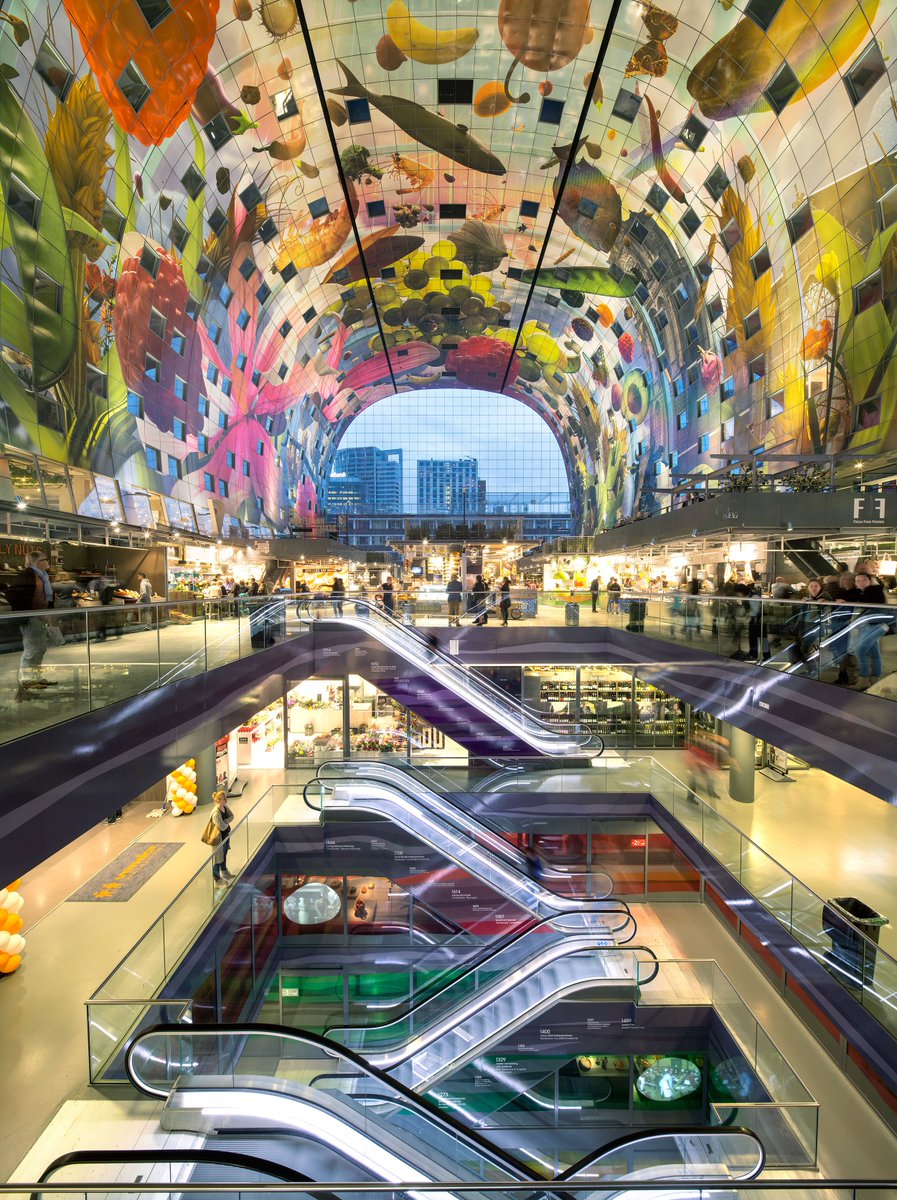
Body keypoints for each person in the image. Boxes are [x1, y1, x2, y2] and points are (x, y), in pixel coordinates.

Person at [8, 549, 57, 689]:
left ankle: (35, 677)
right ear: (36, 562)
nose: (47, 562)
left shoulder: (43, 576)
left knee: (40, 648)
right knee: (32, 649)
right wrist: (28, 612)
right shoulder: (27, 576)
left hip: (41, 617)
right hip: (30, 618)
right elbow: (16, 595)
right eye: (44, 559)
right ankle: (27, 681)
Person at [841, 571, 892, 689]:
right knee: (875, 653)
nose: (861, 582)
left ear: (870, 581)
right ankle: (874, 680)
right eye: (858, 580)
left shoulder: (874, 590)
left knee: (860, 650)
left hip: (877, 625)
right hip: (869, 625)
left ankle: (863, 679)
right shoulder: (862, 592)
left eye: (864, 580)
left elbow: (869, 601)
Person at [210, 789, 235, 887]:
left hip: (225, 836)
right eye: (224, 799)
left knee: (224, 855)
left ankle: (224, 871)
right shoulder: (216, 813)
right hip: (218, 839)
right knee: (217, 859)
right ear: (219, 800)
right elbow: (222, 827)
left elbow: (232, 816)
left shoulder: (224, 807)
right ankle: (217, 879)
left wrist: (225, 821)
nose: (226, 800)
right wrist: (227, 822)